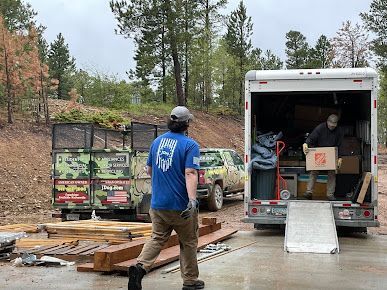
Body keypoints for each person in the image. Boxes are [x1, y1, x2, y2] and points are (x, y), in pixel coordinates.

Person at [128, 106, 204, 290]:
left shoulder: (157, 142)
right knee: (188, 242)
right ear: (187, 124)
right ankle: (190, 281)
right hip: (180, 206)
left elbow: (149, 170)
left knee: (157, 238)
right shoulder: (190, 145)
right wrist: (192, 200)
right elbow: (191, 173)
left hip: (158, 204)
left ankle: (140, 268)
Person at [302, 114, 343, 201]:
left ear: (336, 124)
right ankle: (309, 192)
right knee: (314, 171)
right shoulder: (320, 128)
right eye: (331, 124)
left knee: (332, 173)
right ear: (327, 122)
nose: (332, 126)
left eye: (334, 125)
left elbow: (340, 145)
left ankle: (330, 194)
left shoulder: (339, 131)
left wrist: (340, 157)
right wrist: (306, 144)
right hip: (319, 152)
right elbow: (311, 138)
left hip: (331, 153)